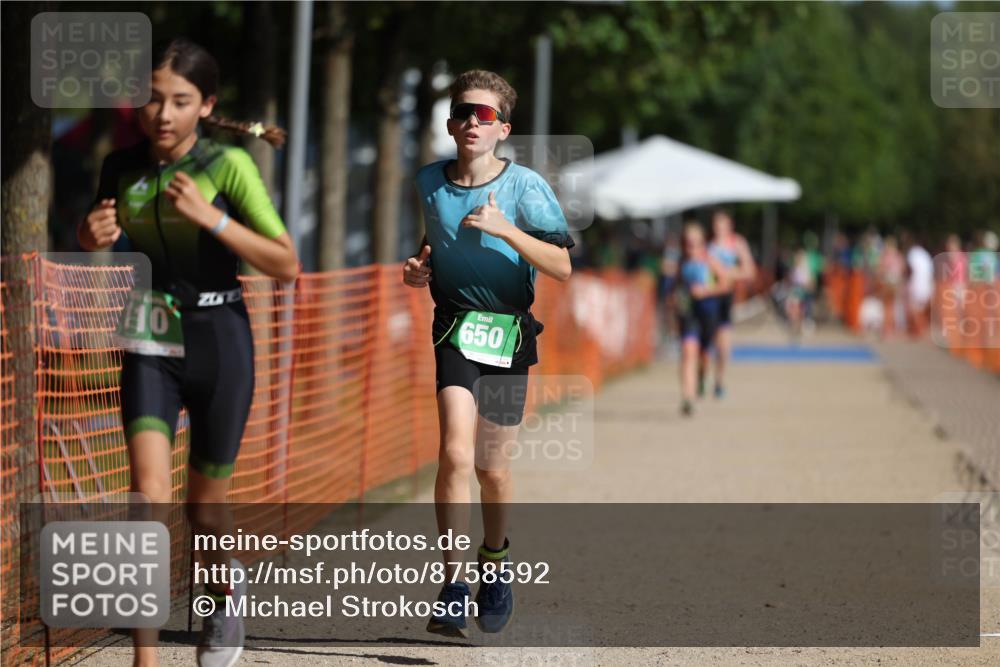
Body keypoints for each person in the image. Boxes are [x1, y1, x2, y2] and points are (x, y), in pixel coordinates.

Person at [77, 37, 299, 667]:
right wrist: (86, 236)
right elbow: (95, 233)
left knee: (206, 509)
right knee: (146, 497)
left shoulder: (228, 166)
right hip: (148, 334)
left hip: (220, 338)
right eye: (152, 99)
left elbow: (286, 264)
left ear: (207, 105)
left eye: (179, 101)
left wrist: (214, 220)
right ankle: (146, 659)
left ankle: (223, 598)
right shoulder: (120, 167)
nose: (163, 114)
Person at [401, 70, 573, 637]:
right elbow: (433, 245)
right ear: (451, 124)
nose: (472, 122)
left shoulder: (525, 188)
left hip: (508, 333)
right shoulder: (428, 181)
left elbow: (562, 266)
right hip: (454, 326)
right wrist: (417, 268)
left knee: (490, 469)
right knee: (452, 452)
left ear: (502, 128)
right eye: (463, 112)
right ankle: (452, 585)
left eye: (484, 114)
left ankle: (494, 563)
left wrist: (507, 231)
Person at [677, 223, 730, 416]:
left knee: (703, 355)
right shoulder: (682, 262)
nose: (691, 248)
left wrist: (707, 290)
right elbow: (677, 286)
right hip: (689, 313)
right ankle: (687, 398)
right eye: (687, 243)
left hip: (708, 312)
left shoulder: (710, 260)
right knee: (687, 351)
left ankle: (701, 378)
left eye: (695, 243)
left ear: (702, 243)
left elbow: (726, 284)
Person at [708, 209, 756, 398]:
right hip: (707, 296)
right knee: (706, 345)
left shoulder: (737, 243)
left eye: (723, 225)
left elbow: (749, 271)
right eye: (716, 225)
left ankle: (719, 381)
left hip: (726, 298)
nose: (719, 229)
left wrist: (728, 274)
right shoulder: (707, 245)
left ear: (730, 226)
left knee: (724, 347)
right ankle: (702, 374)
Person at [902, 231, 934, 338]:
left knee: (913, 308)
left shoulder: (912, 253)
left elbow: (910, 269)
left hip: (916, 284)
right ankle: (921, 328)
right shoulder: (925, 254)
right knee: (920, 309)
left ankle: (919, 329)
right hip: (927, 284)